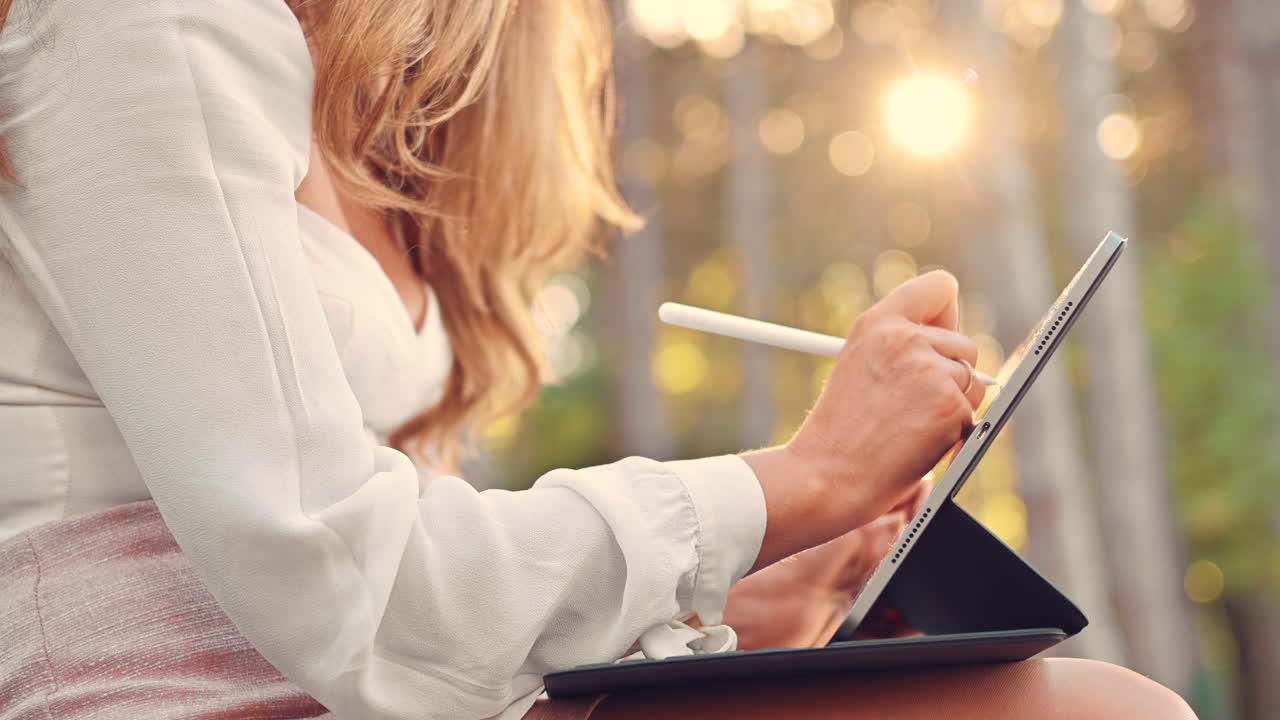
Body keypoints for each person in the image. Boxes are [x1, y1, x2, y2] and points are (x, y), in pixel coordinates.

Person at [0, 1, 1195, 718]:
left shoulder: (353, 109)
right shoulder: (150, 26)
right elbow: (344, 574)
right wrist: (801, 478)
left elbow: (415, 578)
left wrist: (719, 590)